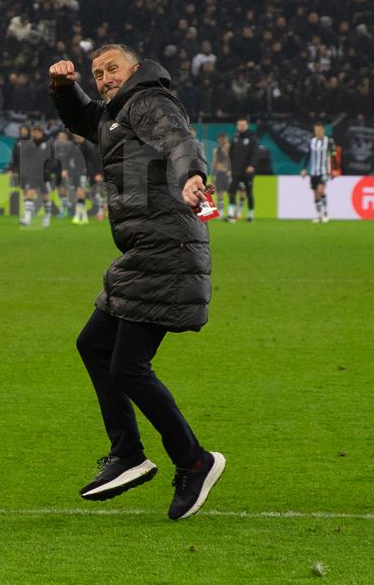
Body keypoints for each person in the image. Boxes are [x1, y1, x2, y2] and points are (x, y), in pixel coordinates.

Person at [49, 44, 225, 522]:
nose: (104, 78)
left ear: (133, 70)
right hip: (145, 252)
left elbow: (179, 140)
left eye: (111, 70)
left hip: (167, 251)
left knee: (127, 365)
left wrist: (192, 175)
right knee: (95, 345)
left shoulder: (149, 101)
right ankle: (127, 453)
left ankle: (194, 461)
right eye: (97, 73)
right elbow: (89, 121)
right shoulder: (118, 113)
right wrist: (65, 90)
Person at [300, 121, 335, 223]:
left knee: (320, 190)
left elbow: (333, 154)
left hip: (324, 171)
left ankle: (325, 213)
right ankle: (320, 216)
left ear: (323, 130)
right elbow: (308, 155)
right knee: (315, 194)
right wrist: (304, 168)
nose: (317, 132)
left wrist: (334, 168)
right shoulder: (312, 141)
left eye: (319, 130)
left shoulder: (329, 141)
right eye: (316, 130)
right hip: (313, 171)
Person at [226, 119, 259, 222]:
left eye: (243, 124)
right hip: (236, 171)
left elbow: (255, 154)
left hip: (247, 172)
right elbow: (230, 155)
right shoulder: (235, 139)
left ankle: (250, 215)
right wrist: (229, 168)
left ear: (247, 125)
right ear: (237, 126)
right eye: (239, 124)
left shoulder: (252, 139)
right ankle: (231, 215)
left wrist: (252, 165)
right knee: (231, 192)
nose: (241, 126)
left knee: (249, 193)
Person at [211, 133, 231, 214]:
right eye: (221, 139)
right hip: (220, 174)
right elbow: (214, 162)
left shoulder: (231, 149)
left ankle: (233, 212)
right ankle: (220, 212)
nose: (223, 141)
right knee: (220, 193)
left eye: (224, 139)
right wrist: (212, 174)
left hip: (229, 174)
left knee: (232, 192)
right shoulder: (216, 150)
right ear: (218, 140)